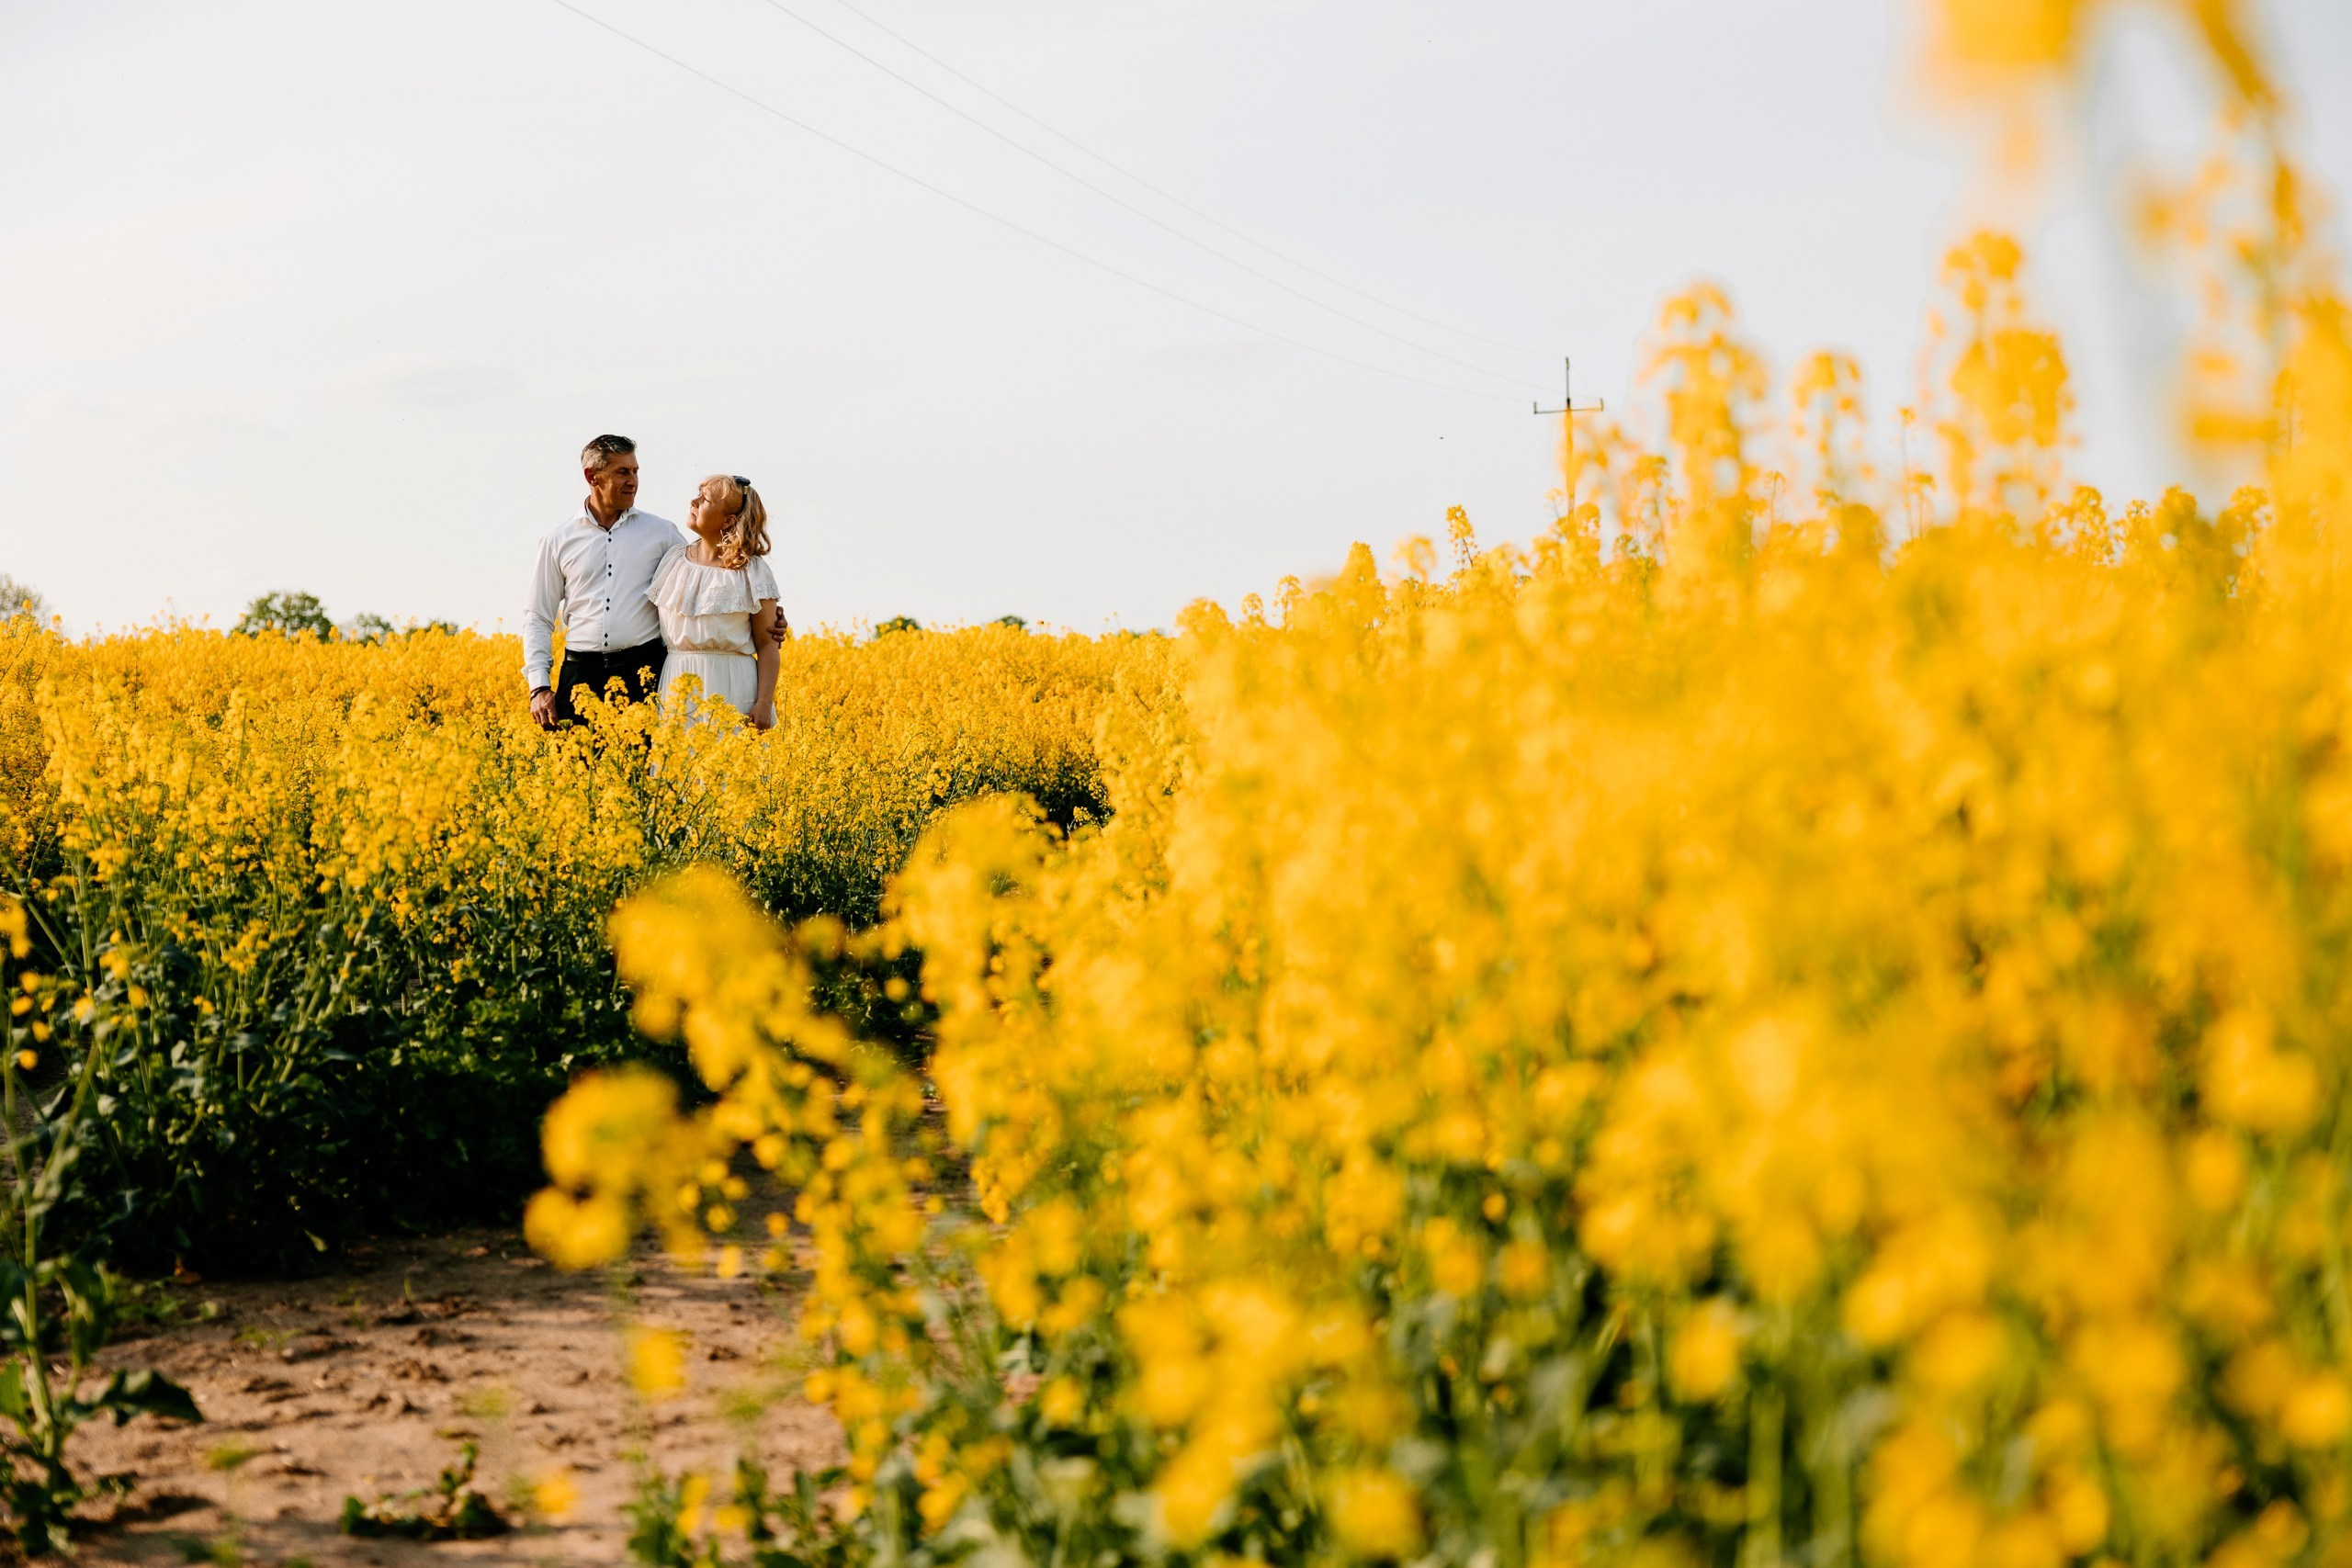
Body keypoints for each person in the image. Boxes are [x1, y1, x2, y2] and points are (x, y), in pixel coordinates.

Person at [524, 434, 683, 728]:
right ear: (592, 476)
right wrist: (539, 687)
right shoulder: (558, 539)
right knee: (576, 773)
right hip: (581, 676)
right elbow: (538, 616)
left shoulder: (662, 534)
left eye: (635, 471)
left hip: (644, 675)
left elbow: (701, 580)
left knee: (642, 773)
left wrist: (762, 614)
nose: (633, 481)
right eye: (622, 472)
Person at [650, 474, 786, 728]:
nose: (694, 501)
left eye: (705, 499)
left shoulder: (753, 571)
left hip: (735, 687)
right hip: (676, 681)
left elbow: (768, 645)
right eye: (698, 494)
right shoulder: (673, 559)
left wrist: (764, 703)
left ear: (729, 520)